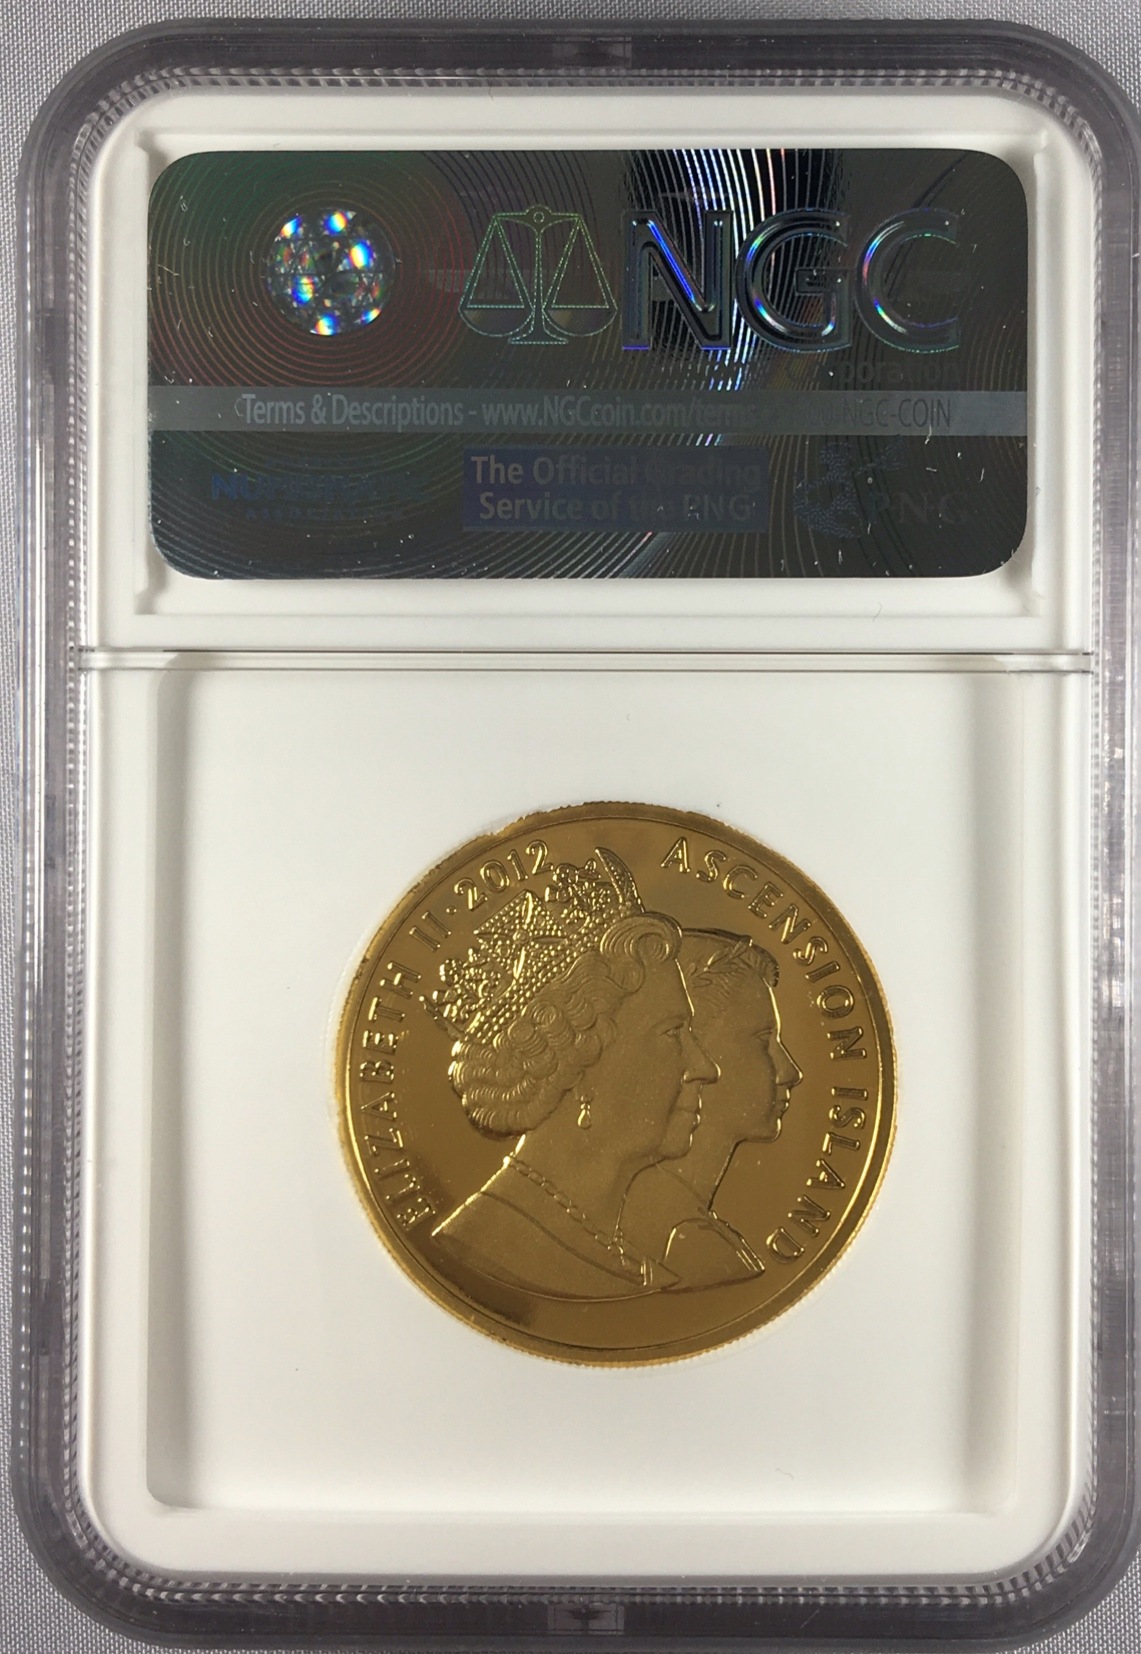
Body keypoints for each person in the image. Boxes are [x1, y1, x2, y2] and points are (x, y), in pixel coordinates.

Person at [429, 849, 715, 1298]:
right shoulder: (493, 1242)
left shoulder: (616, 1253)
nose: (704, 1067)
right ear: (578, 1067)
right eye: (671, 1032)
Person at [620, 928, 802, 1288]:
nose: (791, 1072)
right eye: (762, 1041)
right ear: (692, 1052)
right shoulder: (687, 1245)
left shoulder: (683, 1230)